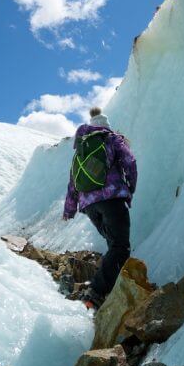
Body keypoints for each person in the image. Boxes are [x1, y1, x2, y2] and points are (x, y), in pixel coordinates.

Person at [63, 107, 137, 310]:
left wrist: (69, 209)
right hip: (112, 199)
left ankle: (110, 288)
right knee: (119, 246)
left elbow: (73, 182)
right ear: (106, 125)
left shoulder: (81, 147)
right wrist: (129, 188)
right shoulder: (112, 138)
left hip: (89, 206)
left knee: (114, 244)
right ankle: (95, 293)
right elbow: (130, 162)